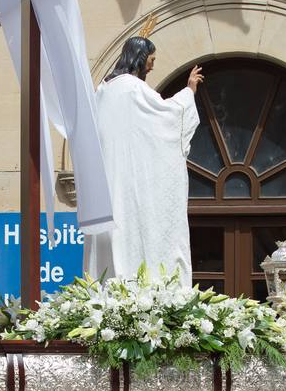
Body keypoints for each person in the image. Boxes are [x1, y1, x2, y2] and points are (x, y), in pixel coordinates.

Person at [82, 37, 202, 282]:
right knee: (139, 234)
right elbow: (169, 117)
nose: (152, 66)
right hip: (132, 189)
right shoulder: (133, 89)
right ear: (139, 56)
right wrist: (189, 92)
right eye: (151, 59)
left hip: (108, 193)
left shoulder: (102, 90)